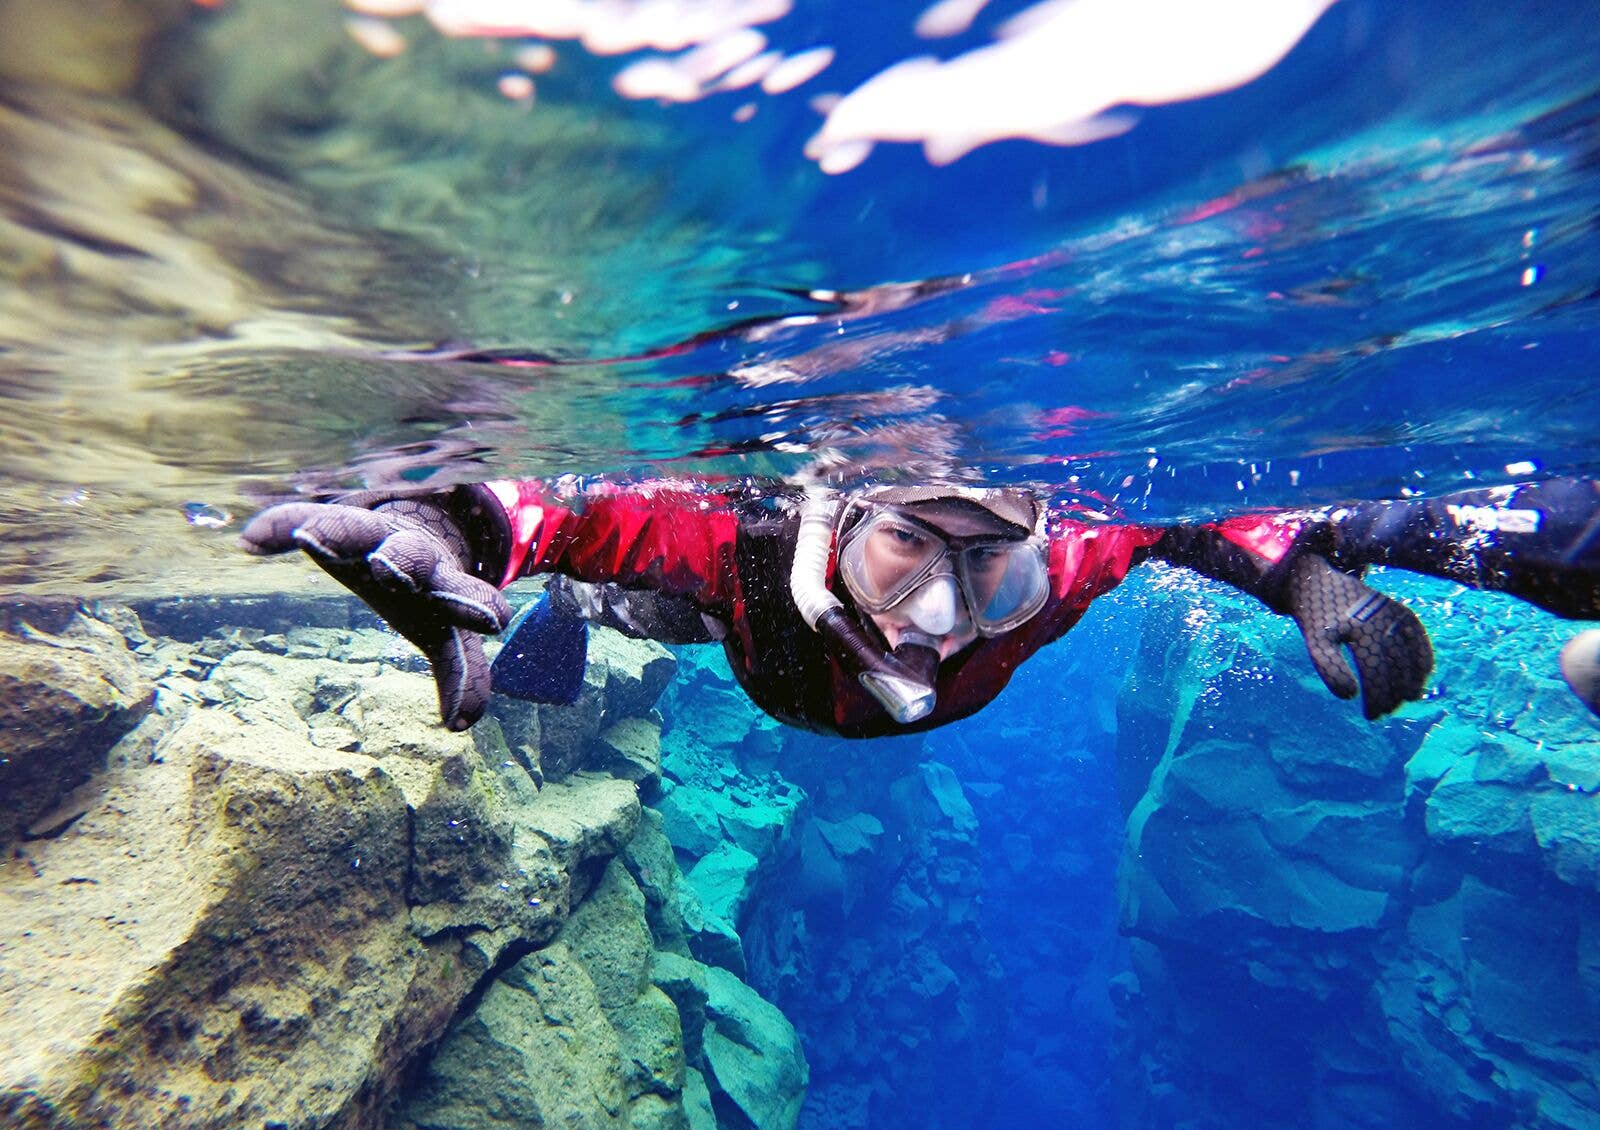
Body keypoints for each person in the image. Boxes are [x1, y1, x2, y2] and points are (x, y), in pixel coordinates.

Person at [240, 476, 1600, 736]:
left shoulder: (1068, 558)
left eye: (989, 564)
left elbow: (1195, 520)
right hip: (735, 623)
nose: (945, 610)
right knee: (642, 600)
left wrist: (1310, 580)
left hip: (784, 652)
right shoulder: (739, 529)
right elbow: (566, 507)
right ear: (837, 516)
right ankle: (592, 627)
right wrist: (452, 525)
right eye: (907, 548)